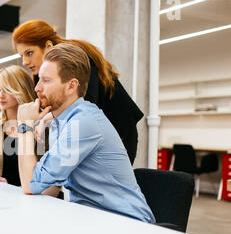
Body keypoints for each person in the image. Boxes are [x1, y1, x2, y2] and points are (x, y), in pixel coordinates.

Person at [17, 43, 155, 223]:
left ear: (71, 86)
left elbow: (30, 185)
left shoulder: (83, 122)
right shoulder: (62, 121)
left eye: (46, 80)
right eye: (39, 79)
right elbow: (48, 187)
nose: (37, 88)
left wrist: (25, 127)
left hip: (125, 222)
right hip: (90, 217)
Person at [12, 19, 144, 164]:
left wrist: (45, 119)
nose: (24, 61)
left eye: (29, 53)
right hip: (89, 132)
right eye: (22, 56)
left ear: (48, 46)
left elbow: (86, 106)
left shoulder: (76, 58)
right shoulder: (42, 72)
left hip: (119, 129)